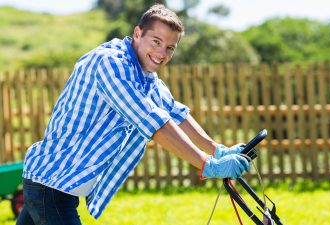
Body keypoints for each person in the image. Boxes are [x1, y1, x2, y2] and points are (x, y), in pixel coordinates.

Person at [16, 4, 250, 225]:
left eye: (170, 47)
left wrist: (217, 149)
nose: (162, 53)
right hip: (53, 185)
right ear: (137, 33)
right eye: (156, 41)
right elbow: (152, 121)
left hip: (52, 183)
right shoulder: (110, 64)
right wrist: (206, 164)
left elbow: (174, 112)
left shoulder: (144, 75)